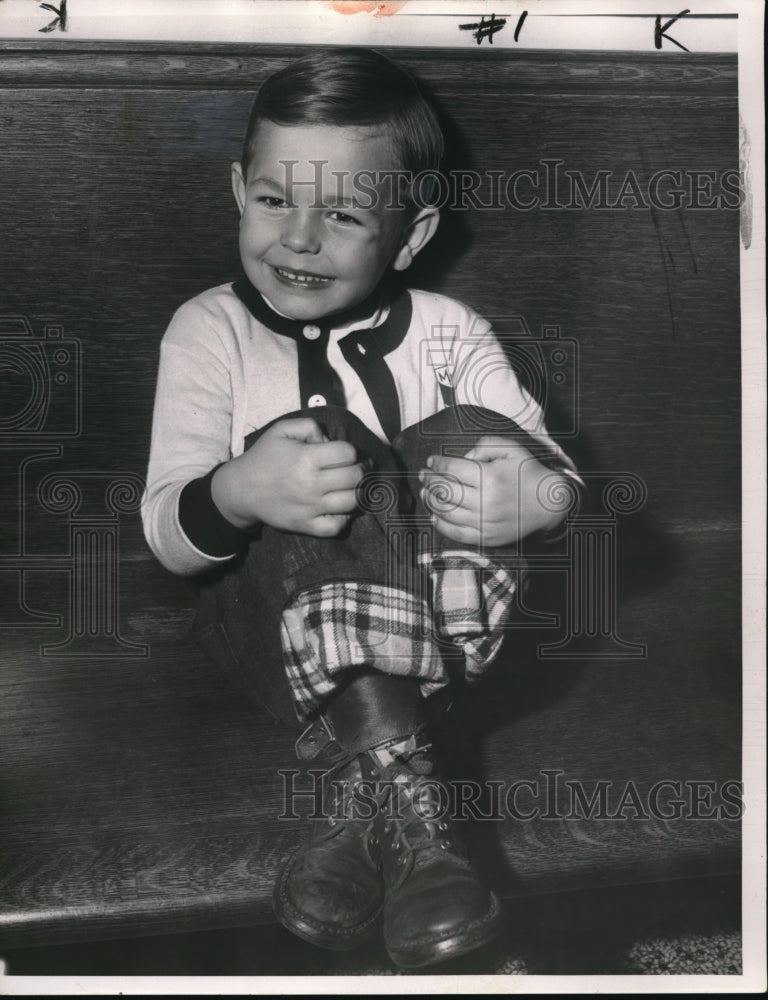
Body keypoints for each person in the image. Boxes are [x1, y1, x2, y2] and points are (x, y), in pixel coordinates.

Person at [142, 47, 582, 969]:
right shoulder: (207, 330)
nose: (298, 240)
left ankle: (368, 803)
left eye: (342, 213)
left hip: (450, 636)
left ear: (412, 236)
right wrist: (238, 489)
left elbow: (556, 478)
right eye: (273, 201)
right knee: (316, 434)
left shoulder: (451, 332)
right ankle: (422, 815)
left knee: (470, 425)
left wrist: (533, 496)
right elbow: (168, 540)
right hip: (271, 634)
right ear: (238, 189)